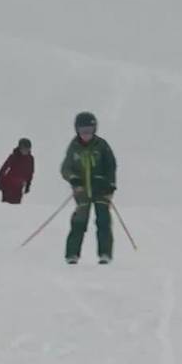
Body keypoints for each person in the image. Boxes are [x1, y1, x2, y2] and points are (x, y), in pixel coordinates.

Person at [60, 112, 117, 264]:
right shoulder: (74, 147)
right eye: (83, 130)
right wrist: (74, 180)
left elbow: (111, 166)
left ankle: (105, 253)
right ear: (77, 130)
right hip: (82, 192)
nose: (86, 134)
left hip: (101, 191)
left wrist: (110, 185)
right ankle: (72, 254)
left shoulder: (102, 146)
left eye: (89, 130)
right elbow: (66, 168)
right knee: (79, 222)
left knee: (103, 221)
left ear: (94, 129)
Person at [0, 138, 34, 204]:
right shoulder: (14, 156)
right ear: (20, 148)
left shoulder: (30, 159)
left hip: (19, 187)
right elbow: (3, 169)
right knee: (6, 206)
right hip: (8, 186)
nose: (26, 151)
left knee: (16, 206)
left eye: (28, 149)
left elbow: (30, 173)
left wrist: (28, 185)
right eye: (24, 148)